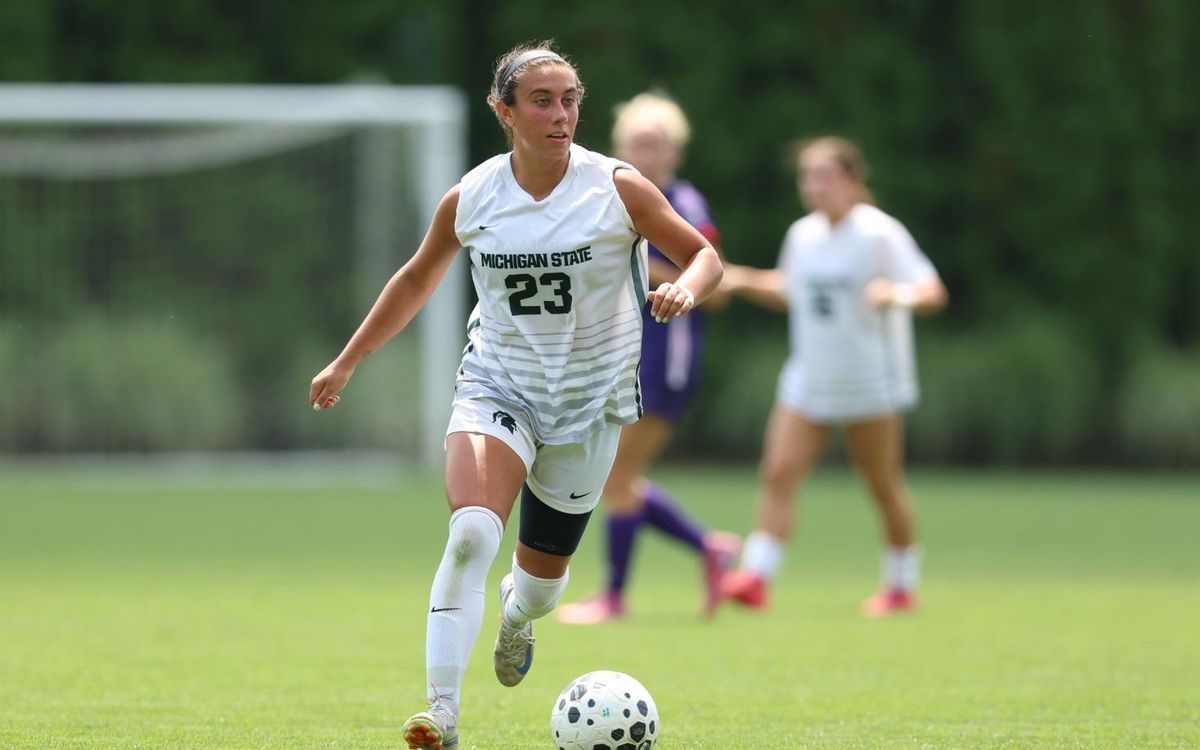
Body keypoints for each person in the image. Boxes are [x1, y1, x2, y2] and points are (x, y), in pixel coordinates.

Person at [309, 43, 722, 750]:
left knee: (540, 589)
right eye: (542, 101)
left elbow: (705, 255)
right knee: (472, 532)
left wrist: (686, 287)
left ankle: (517, 615)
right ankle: (441, 713)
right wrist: (349, 361)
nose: (561, 114)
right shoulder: (473, 197)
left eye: (570, 100)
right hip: (496, 386)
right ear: (503, 111)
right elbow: (416, 278)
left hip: (589, 406)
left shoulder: (616, 187)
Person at [717, 136, 948, 618]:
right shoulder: (802, 234)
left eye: (824, 176)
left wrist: (897, 294)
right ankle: (756, 578)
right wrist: (739, 278)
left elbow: (932, 291)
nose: (813, 186)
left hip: (869, 383)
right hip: (810, 379)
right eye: (807, 177)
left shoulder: (879, 233)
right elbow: (791, 289)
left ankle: (901, 586)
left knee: (882, 486)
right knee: (778, 473)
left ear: (852, 179)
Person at [555, 91, 739, 626]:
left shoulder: (685, 204)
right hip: (624, 356)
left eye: (655, 144)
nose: (645, 153)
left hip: (665, 358)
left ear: (675, 151)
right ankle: (708, 548)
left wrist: (643, 263)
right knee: (617, 476)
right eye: (636, 143)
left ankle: (615, 596)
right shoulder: (613, 199)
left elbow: (717, 288)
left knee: (615, 475)